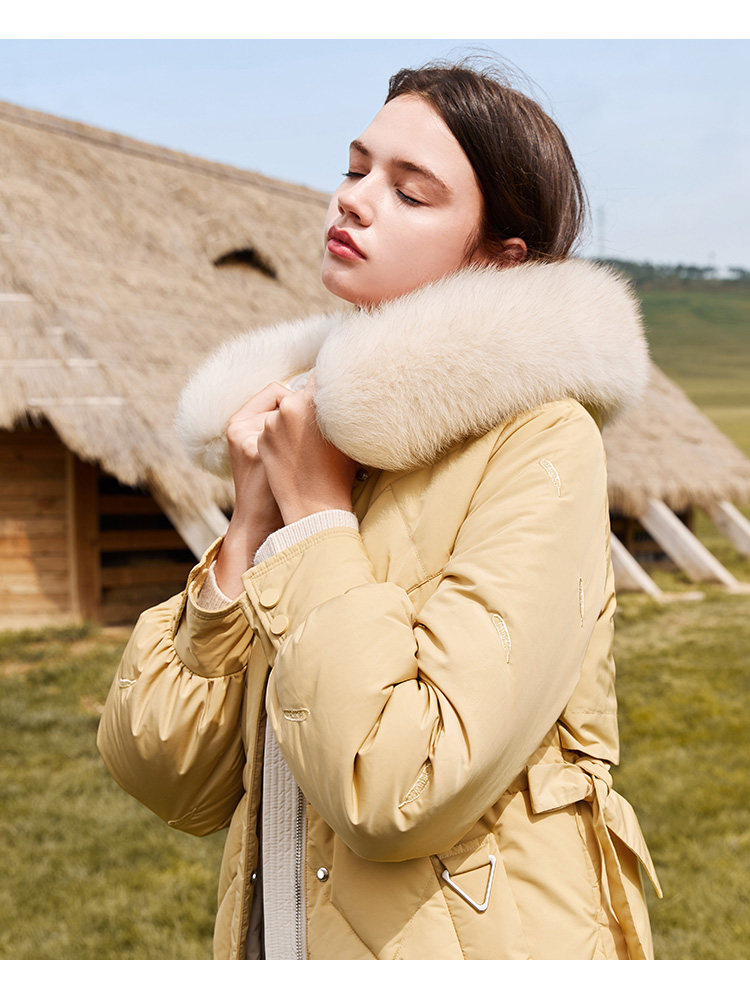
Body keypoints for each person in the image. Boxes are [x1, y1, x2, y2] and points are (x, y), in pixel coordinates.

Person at [97, 57, 663, 960]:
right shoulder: (313, 434)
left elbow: (398, 786)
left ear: (500, 259)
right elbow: (168, 775)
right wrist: (250, 528)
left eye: (410, 191)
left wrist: (317, 519)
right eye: (356, 169)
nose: (353, 200)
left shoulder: (540, 442)